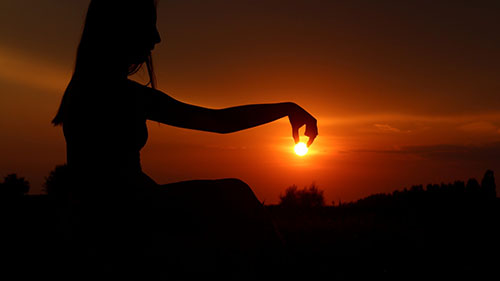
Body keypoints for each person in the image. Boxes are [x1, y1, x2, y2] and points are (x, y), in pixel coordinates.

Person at [52, 0, 318, 278]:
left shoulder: (86, 88)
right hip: (123, 220)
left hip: (111, 216)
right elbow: (219, 122)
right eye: (148, 26)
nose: (157, 37)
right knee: (236, 196)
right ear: (121, 28)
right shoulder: (118, 94)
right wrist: (286, 108)